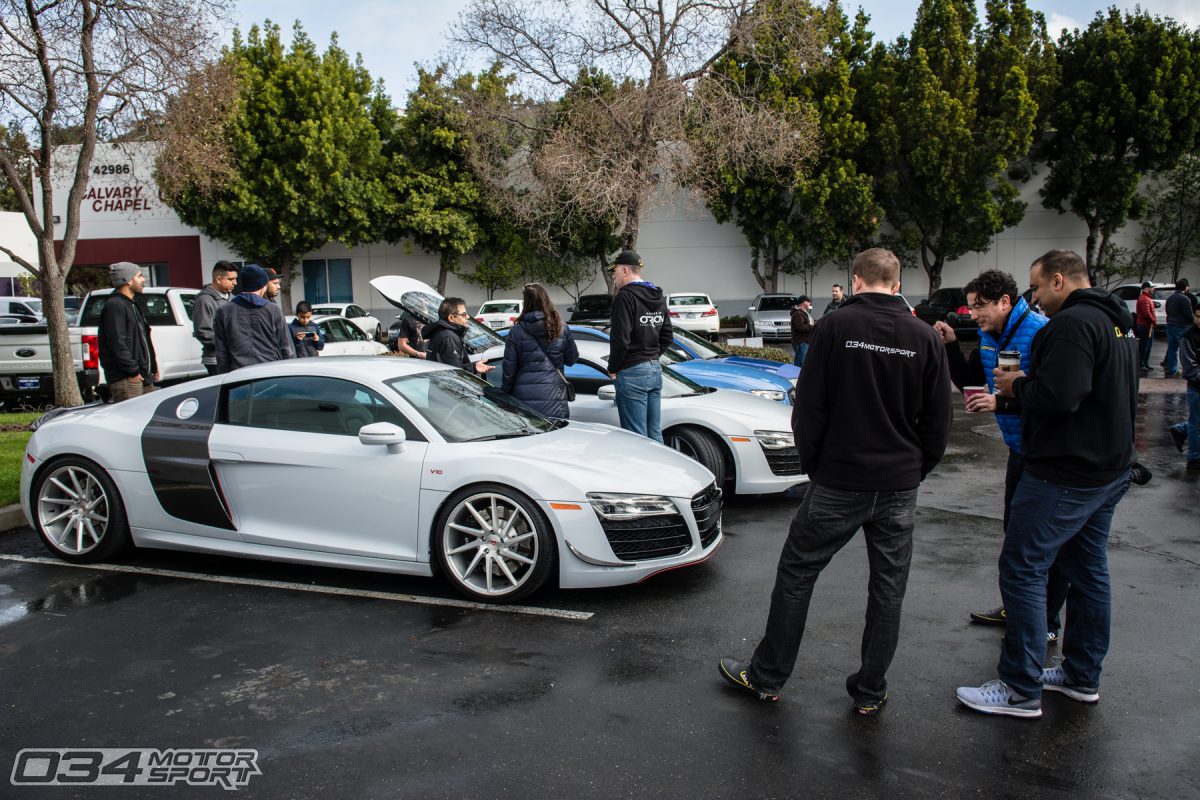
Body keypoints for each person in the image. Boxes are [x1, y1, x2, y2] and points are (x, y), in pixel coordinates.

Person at [719, 248, 952, 715]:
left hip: (838, 479)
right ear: (898, 285)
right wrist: (914, 469)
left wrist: (816, 466)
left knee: (797, 573)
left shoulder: (834, 327)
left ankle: (767, 676)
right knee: (888, 588)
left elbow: (809, 407)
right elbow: (938, 423)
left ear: (857, 280)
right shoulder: (924, 337)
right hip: (898, 484)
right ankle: (870, 690)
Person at [956, 249, 1138, 719]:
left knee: (1021, 567)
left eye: (1035, 288)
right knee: (1087, 570)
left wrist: (1014, 388)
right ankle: (1080, 676)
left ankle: (1020, 688)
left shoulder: (1072, 325)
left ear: (1058, 281)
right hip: (1106, 469)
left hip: (1065, 472)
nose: (1033, 298)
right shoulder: (1116, 323)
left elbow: (1060, 396)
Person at [932, 270, 1063, 642]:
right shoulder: (991, 335)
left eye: (980, 306)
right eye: (971, 307)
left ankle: (1046, 623)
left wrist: (1003, 401)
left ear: (1005, 301)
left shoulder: (1040, 332)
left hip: (1046, 455)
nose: (974, 314)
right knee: (1014, 535)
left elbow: (1053, 395)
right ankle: (1021, 608)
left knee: (1036, 545)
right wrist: (952, 345)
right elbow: (970, 380)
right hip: (1018, 451)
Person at [607, 249, 672, 442]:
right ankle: (660, 471)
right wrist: (650, 357)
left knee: (636, 439)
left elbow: (621, 340)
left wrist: (613, 367)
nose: (614, 276)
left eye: (615, 271)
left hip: (632, 372)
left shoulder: (624, 297)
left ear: (625, 270)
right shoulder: (658, 296)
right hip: (654, 370)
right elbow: (667, 336)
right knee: (654, 433)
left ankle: (641, 472)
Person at [501, 283, 579, 418]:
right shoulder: (561, 327)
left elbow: (509, 371)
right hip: (555, 398)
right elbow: (571, 360)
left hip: (523, 399)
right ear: (546, 299)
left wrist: (505, 395)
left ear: (526, 303)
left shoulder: (515, 331)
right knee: (556, 437)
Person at [213, 263, 295, 373]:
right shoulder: (273, 310)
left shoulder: (223, 312)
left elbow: (222, 353)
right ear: (263, 285)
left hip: (238, 375)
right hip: (270, 374)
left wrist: (225, 377)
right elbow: (286, 348)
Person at [99, 261, 158, 402]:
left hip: (143, 376)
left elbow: (143, 339)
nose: (143, 280)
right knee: (132, 421)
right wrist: (132, 371)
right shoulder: (115, 306)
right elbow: (117, 343)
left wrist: (152, 368)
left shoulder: (132, 304)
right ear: (128, 280)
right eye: (139, 276)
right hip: (127, 379)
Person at [1167, 304, 1200, 471]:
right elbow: (1190, 367)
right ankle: (1194, 458)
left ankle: (1181, 429)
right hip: (1197, 387)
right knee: (1197, 422)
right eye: (1198, 316)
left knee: (1197, 421)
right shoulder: (1189, 336)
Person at [423, 297, 492, 375]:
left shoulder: (442, 332)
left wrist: (474, 367)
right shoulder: (449, 337)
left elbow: (453, 366)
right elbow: (456, 373)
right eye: (464, 314)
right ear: (451, 318)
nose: (468, 317)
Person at [192, 261, 238, 376]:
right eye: (231, 279)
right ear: (218, 279)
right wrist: (229, 344)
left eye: (235, 279)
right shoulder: (204, 300)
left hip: (233, 357)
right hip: (216, 360)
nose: (235, 283)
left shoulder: (232, 298)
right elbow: (203, 332)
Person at [1164, 278, 1193, 378]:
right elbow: (1188, 314)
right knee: (1184, 350)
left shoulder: (1170, 298)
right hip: (1182, 327)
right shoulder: (1185, 299)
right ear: (1185, 288)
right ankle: (1186, 371)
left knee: (1172, 349)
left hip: (1170, 325)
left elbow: (1167, 311)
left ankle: (1173, 370)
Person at [1134, 281, 1157, 375]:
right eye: (1152, 287)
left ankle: (1145, 363)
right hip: (1145, 325)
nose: (1153, 289)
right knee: (1144, 345)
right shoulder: (1144, 299)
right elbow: (1146, 313)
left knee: (1148, 345)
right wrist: (1153, 321)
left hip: (1147, 325)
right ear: (1147, 288)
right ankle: (1141, 363)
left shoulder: (1146, 298)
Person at [789, 296, 814, 367]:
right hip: (801, 342)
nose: (810, 304)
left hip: (803, 341)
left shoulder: (802, 313)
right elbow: (799, 327)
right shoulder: (798, 314)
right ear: (804, 302)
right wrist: (812, 327)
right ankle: (798, 377)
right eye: (809, 302)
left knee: (802, 362)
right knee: (801, 363)